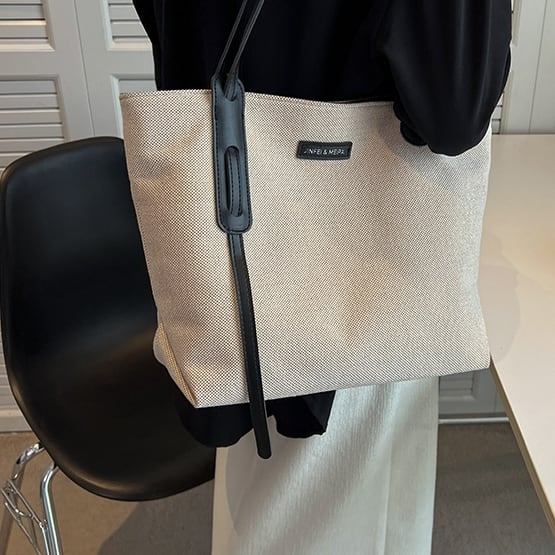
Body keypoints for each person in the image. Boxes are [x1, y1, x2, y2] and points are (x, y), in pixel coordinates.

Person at [131, 1, 512, 553]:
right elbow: (454, 109)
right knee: (332, 517)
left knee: (261, 504)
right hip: (368, 264)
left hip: (229, 257)